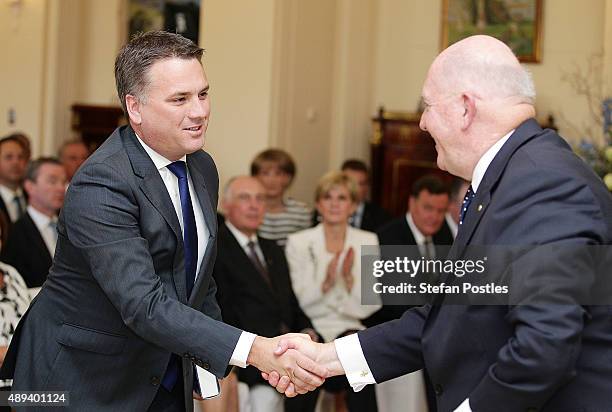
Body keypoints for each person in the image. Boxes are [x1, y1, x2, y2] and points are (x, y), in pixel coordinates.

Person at [267, 35, 612, 412]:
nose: (422, 122)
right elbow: (452, 313)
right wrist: (325, 358)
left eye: (427, 106)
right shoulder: (514, 179)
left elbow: (544, 347)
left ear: (465, 108)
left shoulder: (542, 184)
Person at [0, 31, 325, 411]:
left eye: (203, 94)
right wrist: (255, 350)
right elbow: (144, 304)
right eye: (180, 99)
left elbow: (198, 282)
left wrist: (216, 366)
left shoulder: (201, 166)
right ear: (134, 107)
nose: (200, 111)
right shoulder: (101, 182)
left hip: (161, 373)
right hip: (82, 381)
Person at [214, 176, 320, 412]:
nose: (254, 205)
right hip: (250, 356)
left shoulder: (273, 248)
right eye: (245, 198)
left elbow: (289, 303)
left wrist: (307, 330)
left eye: (260, 199)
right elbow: (222, 312)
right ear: (226, 205)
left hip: (287, 346)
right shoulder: (216, 248)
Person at [285, 171, 381, 412]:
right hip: (312, 324)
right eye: (328, 197)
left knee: (359, 356)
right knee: (305, 355)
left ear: (353, 206)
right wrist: (327, 282)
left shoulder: (368, 241)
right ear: (318, 204)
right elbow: (301, 301)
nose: (335, 204)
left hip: (351, 325)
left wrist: (348, 280)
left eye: (343, 198)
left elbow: (372, 304)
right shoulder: (299, 242)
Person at [1, 158, 66, 289]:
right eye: (52, 181)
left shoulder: (70, 228)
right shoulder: (14, 233)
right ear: (30, 186)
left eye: (64, 182)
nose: (60, 188)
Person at [251, 149, 312, 247]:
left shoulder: (301, 211)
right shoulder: (249, 210)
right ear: (255, 177)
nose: (272, 180)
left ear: (289, 177)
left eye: (278, 173)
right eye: (265, 173)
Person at [313, 160, 391, 232]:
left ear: (367, 187)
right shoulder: (324, 211)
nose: (354, 188)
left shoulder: (382, 218)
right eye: (349, 182)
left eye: (360, 184)